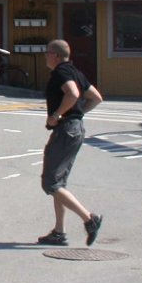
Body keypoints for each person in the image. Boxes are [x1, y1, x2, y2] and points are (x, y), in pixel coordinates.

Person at [37, 38, 104, 246]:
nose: (45, 56)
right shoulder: (76, 71)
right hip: (75, 129)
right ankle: (59, 232)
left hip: (65, 131)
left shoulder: (61, 72)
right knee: (60, 182)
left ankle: (89, 218)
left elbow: (73, 94)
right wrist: (76, 114)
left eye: (47, 52)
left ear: (55, 55)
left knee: (50, 182)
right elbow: (96, 97)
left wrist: (58, 115)